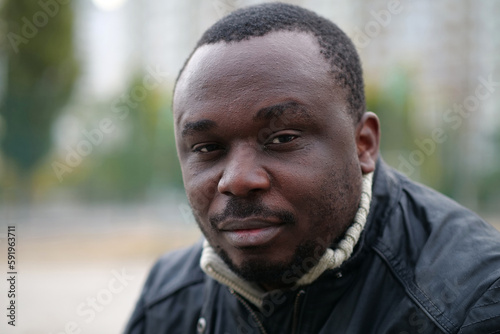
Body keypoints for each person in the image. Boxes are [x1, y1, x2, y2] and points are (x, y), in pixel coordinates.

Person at [125, 3, 500, 333]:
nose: (238, 180)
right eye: (208, 148)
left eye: (283, 138)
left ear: (363, 144)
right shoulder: (167, 296)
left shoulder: (475, 302)